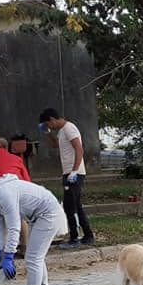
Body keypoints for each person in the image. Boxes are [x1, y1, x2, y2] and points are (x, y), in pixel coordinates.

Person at [38, 107, 94, 249]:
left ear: (52, 119)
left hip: (74, 173)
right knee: (77, 205)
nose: (49, 126)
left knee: (69, 206)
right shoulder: (62, 131)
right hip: (69, 172)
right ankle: (88, 236)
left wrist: (74, 171)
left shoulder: (69, 128)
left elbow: (79, 149)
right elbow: (56, 145)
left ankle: (74, 239)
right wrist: (48, 134)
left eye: (48, 124)